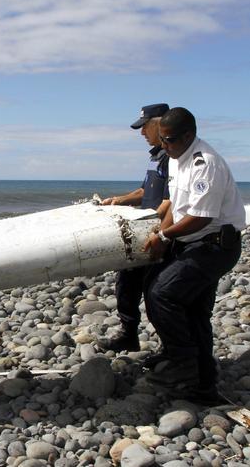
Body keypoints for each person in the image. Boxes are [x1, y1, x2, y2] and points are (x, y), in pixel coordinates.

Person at [143, 107, 245, 403]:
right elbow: (176, 204)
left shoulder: (206, 164)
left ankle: (182, 363)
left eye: (170, 140)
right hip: (193, 243)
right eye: (162, 139)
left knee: (163, 294)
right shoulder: (176, 158)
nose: (164, 146)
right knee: (193, 311)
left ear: (189, 135)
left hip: (215, 246)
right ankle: (204, 386)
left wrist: (163, 236)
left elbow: (201, 217)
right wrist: (163, 237)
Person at [97, 103, 170, 352]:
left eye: (145, 127)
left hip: (160, 233)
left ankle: (169, 347)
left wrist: (159, 233)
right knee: (126, 283)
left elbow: (172, 201)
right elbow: (144, 191)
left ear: (161, 124)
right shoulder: (155, 157)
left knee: (155, 292)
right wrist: (117, 201)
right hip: (143, 230)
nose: (141, 133)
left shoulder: (173, 157)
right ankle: (129, 334)